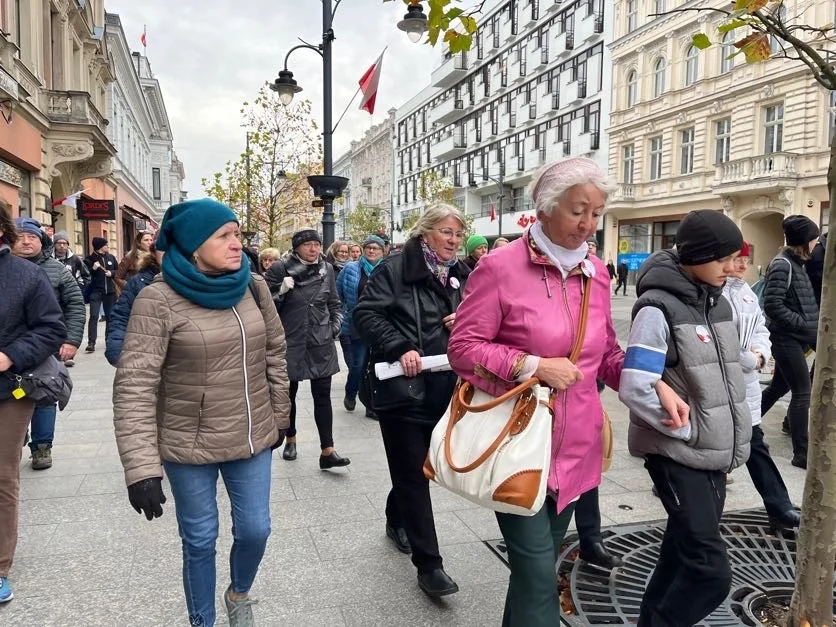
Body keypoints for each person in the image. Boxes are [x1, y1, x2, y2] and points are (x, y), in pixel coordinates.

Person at [448, 159, 632, 625]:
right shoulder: (499, 268)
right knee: (535, 572)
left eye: (597, 212)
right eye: (577, 211)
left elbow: (604, 350)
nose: (589, 224)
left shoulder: (597, 272)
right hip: (520, 444)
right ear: (545, 210)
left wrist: (648, 380)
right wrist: (532, 364)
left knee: (537, 568)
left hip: (577, 445)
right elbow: (463, 349)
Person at [112, 198, 290, 627]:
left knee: (255, 530)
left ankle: (238, 592)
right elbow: (135, 384)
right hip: (185, 442)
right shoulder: (158, 300)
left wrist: (280, 415)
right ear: (193, 245)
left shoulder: (254, 287)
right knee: (199, 539)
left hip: (250, 435)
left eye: (237, 234)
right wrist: (140, 468)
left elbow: (275, 353)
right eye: (224, 236)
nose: (237, 245)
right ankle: (202, 620)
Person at [619, 209, 752, 627]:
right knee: (710, 573)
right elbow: (636, 383)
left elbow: (724, 365)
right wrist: (692, 431)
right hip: (679, 454)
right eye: (724, 258)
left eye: (737, 257)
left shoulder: (718, 300)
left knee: (679, 556)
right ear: (696, 255)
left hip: (713, 455)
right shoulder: (657, 310)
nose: (733, 268)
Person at [354, 203, 471, 598]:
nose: (454, 240)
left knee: (422, 467)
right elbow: (366, 316)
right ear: (425, 234)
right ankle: (429, 566)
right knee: (414, 475)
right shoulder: (394, 269)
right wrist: (399, 345)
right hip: (404, 391)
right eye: (446, 232)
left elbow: (480, 314)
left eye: (458, 233)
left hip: (447, 387)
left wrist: (465, 319)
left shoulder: (460, 273)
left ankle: (394, 515)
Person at [0, 201, 66, 603]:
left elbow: (50, 327)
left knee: (1, 474)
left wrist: (10, 355)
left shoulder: (25, 275)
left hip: (8, 389)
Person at [724, 241, 800, 533]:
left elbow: (760, 328)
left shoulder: (746, 292)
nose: (742, 265)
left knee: (755, 444)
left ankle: (779, 507)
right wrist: (747, 358)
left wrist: (760, 355)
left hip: (746, 385)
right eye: (736, 259)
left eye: (745, 259)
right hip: (719, 386)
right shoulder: (712, 291)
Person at [264, 228, 349, 468]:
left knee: (322, 395)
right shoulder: (280, 268)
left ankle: (327, 450)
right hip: (290, 340)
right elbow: (264, 305)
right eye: (308, 245)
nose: (313, 249)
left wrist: (334, 327)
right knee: (288, 394)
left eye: (317, 244)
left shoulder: (327, 269)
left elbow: (335, 302)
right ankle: (290, 439)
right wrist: (279, 291)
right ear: (296, 247)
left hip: (320, 340)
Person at [12, 218, 85, 470]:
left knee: (44, 394)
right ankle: (16, 433)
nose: (25, 241)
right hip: (7, 348)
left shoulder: (56, 269)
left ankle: (42, 446)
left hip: (46, 344)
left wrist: (72, 339)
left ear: (41, 241)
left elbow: (75, 304)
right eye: (20, 236)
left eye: (31, 237)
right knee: (11, 395)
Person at [760, 215, 820, 469]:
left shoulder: (797, 263)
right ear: (803, 242)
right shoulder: (783, 264)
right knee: (802, 391)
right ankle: (802, 454)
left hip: (796, 337)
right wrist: (803, 323)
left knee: (779, 388)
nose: (817, 243)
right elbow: (773, 305)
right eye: (814, 239)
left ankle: (742, 423)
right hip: (786, 339)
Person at [336, 234, 385, 418]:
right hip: (357, 324)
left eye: (376, 248)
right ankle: (350, 393)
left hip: (381, 324)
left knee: (375, 367)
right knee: (358, 365)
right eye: (369, 247)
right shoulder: (350, 268)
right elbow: (337, 293)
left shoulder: (387, 269)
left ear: (383, 251)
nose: (371, 250)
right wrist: (343, 314)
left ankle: (371, 405)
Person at [105, 249, 162, 366]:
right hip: (145, 357)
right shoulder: (138, 281)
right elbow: (121, 316)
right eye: (163, 246)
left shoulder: (200, 279)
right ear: (153, 252)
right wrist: (116, 352)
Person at [84, 237, 118, 353]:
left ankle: (108, 340)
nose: (107, 246)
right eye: (105, 245)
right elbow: (86, 274)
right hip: (95, 291)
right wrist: (93, 269)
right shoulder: (89, 259)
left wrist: (112, 273)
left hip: (110, 291)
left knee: (110, 316)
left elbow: (119, 271)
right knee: (94, 316)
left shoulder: (111, 258)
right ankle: (91, 342)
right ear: (99, 246)